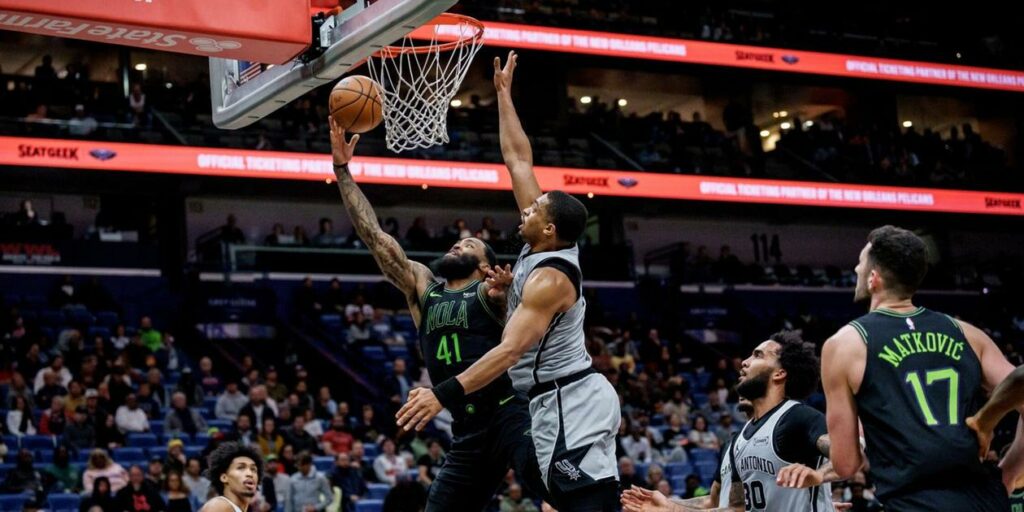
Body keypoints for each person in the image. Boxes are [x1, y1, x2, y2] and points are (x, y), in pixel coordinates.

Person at [397, 50, 619, 512]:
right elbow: (518, 158)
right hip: (541, 398)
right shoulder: (538, 245)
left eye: (536, 210)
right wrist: (503, 95)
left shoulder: (552, 278)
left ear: (551, 228)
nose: (527, 209)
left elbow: (510, 351)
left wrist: (441, 395)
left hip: (569, 398)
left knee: (577, 499)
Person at [329, 110, 547, 510]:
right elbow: (375, 237)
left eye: (469, 245)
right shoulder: (423, 289)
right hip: (466, 427)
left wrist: (509, 292)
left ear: (485, 265)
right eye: (456, 243)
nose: (457, 246)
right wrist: (343, 170)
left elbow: (520, 316)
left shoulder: (491, 291)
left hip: (508, 412)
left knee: (547, 483)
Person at [822, 226, 1023, 510]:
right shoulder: (966, 332)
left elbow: (846, 465)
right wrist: (1011, 469)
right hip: (984, 500)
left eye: (860, 261)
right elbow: (1020, 383)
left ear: (873, 278)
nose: (855, 268)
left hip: (913, 502)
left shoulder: (844, 344)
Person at [623, 332, 839, 511]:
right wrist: (670, 507)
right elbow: (734, 508)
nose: (744, 362)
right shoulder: (739, 441)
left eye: (758, 355)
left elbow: (850, 454)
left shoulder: (799, 417)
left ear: (779, 373)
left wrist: (818, 475)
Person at [199, 442, 264, 512]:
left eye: (253, 469)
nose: (250, 474)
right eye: (241, 467)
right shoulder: (218, 505)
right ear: (224, 477)